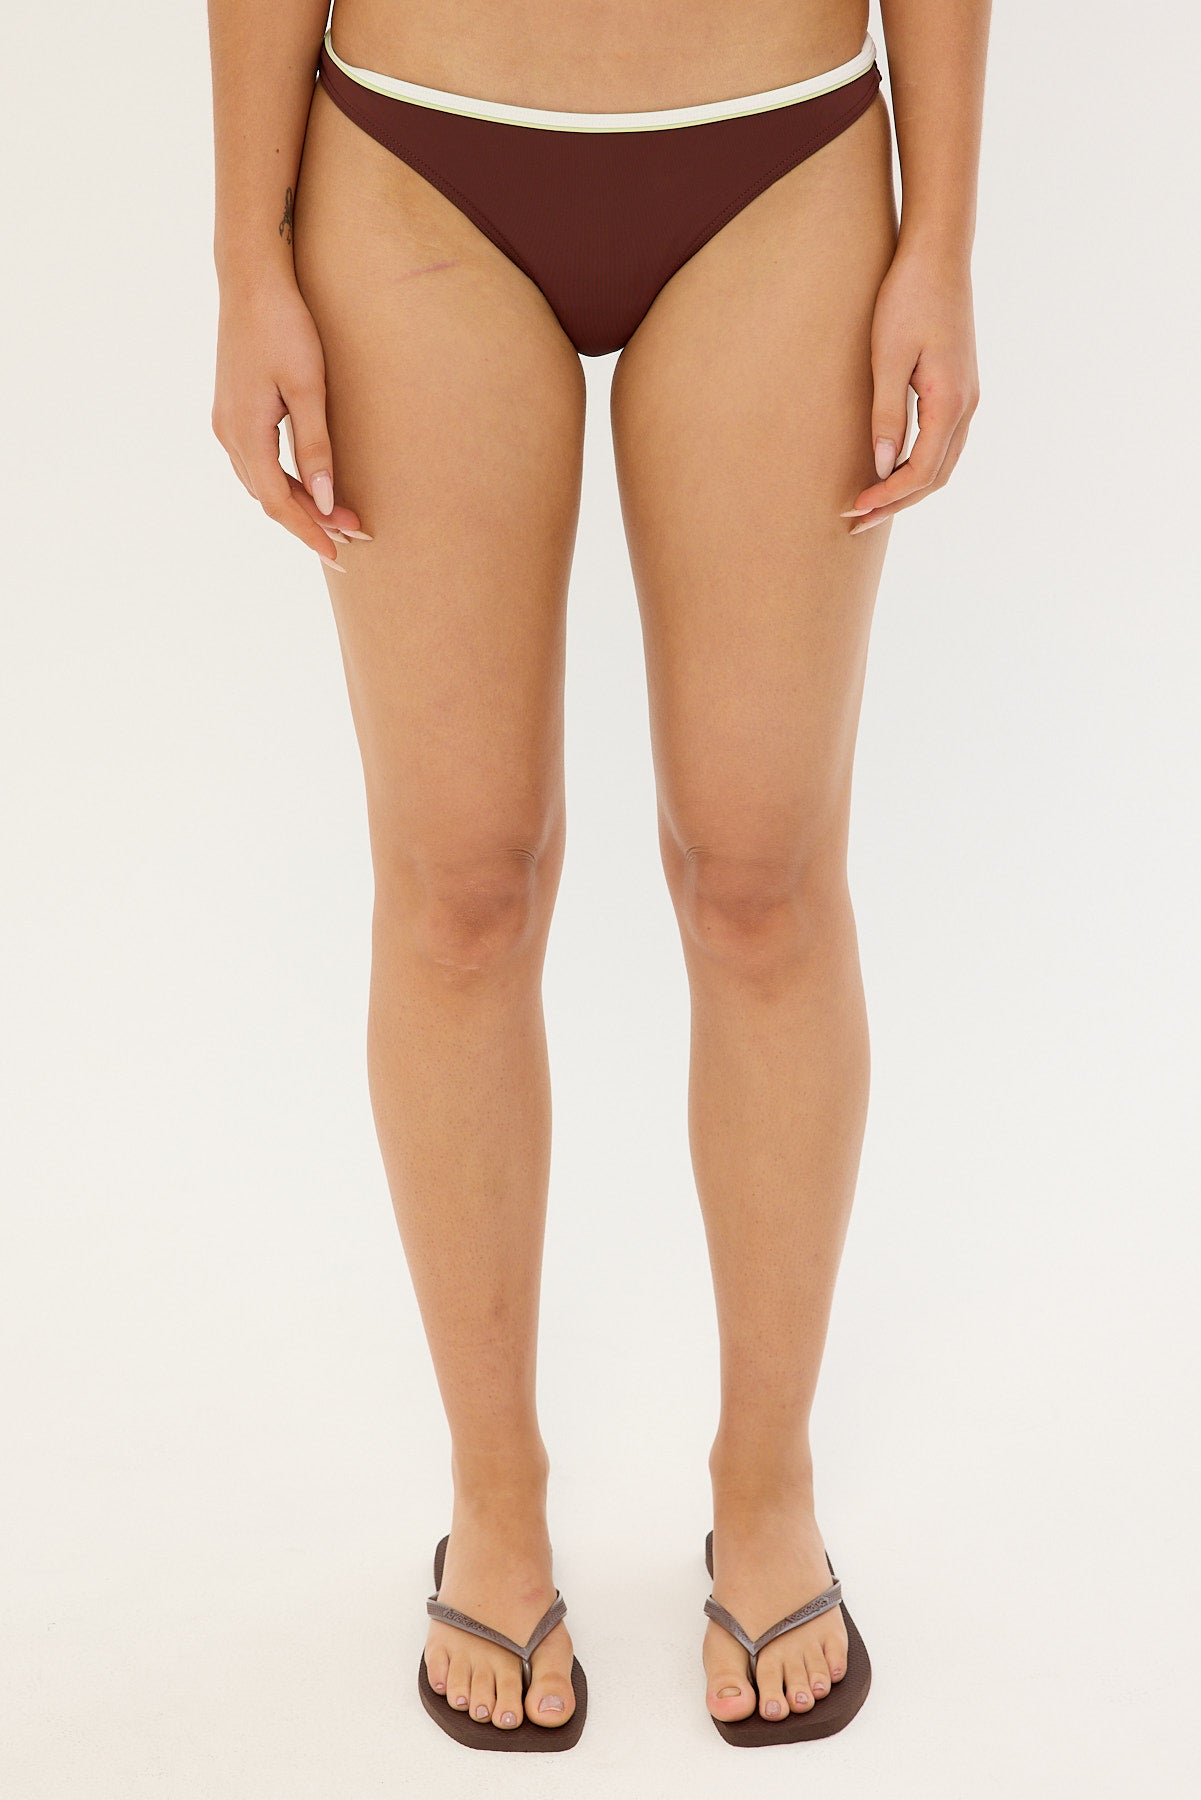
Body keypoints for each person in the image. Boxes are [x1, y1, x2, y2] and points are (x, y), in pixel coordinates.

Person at [207, 0, 989, 1753]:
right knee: (460, 884)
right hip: (410, 143)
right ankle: (494, 1501)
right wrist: (246, 253)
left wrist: (938, 236)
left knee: (760, 873)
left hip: (781, 144)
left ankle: (766, 1486)